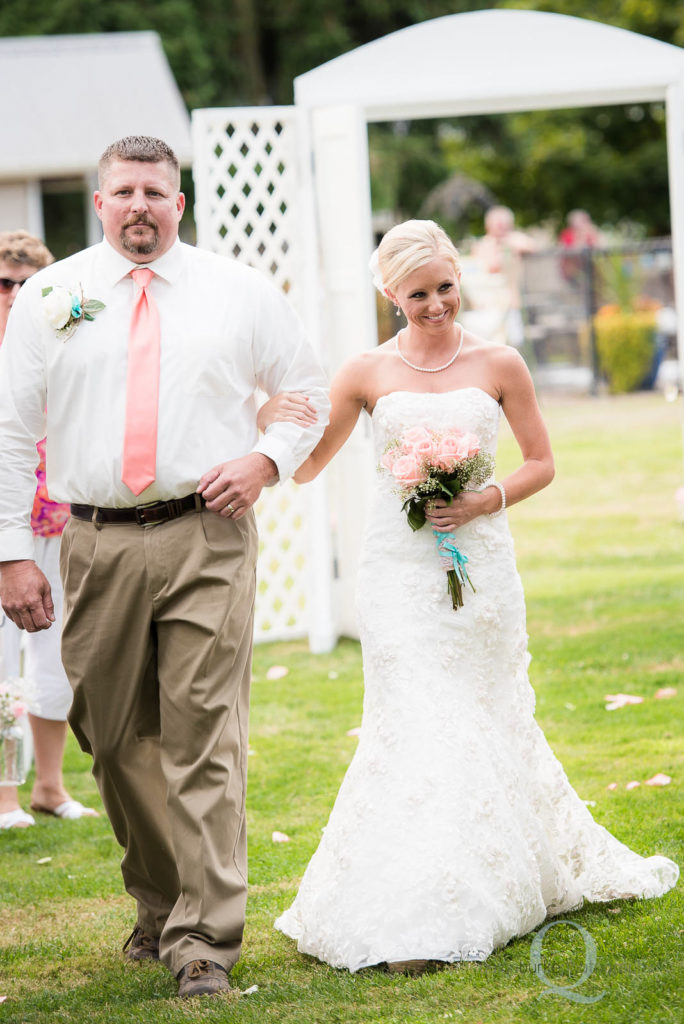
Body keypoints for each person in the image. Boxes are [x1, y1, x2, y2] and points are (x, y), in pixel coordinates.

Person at [259, 219, 678, 974]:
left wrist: (485, 500)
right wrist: (271, 423)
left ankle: (491, 879)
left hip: (480, 569)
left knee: (481, 714)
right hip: (397, 574)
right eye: (418, 293)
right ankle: (415, 902)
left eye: (445, 287)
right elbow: (307, 465)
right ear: (391, 295)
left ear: (460, 281)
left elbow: (542, 462)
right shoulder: (362, 372)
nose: (436, 304)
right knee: (414, 716)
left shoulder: (500, 361)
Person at [0, 137, 329, 998]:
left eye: (156, 191)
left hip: (206, 534)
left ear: (179, 203)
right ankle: (160, 900)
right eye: (123, 192)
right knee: (109, 739)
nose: (139, 206)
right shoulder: (50, 295)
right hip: (95, 538)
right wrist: (9, 556)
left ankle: (203, 943)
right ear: (99, 203)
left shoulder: (239, 292)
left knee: (201, 734)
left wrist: (266, 459)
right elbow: (9, 432)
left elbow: (308, 389)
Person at [0, 230, 98, 829]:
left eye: (24, 284)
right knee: (0, 663)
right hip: (2, 526)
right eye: (2, 282)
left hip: (58, 519)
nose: (12, 294)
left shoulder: (58, 346)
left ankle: (50, 786)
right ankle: (4, 792)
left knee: (55, 653)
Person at [462, 205, 535, 346]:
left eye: (503, 224)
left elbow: (529, 245)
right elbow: (485, 268)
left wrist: (507, 244)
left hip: (512, 301)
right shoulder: (482, 245)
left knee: (515, 342)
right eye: (497, 224)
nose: (500, 227)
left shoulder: (514, 240)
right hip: (489, 305)